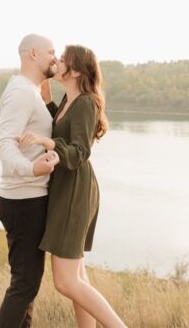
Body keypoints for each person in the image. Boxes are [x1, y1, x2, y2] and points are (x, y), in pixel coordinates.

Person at [17, 44, 126, 328]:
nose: (58, 60)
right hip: (66, 189)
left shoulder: (86, 103)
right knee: (78, 277)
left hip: (75, 191)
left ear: (75, 70)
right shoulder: (68, 100)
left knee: (66, 282)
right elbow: (63, 129)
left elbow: (79, 152)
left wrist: (46, 142)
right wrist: (48, 101)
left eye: (63, 59)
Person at [0, 33, 61, 328]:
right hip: (23, 200)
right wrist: (31, 169)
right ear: (33, 54)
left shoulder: (31, 91)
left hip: (29, 199)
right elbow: (4, 144)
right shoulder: (21, 92)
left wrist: (48, 96)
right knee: (24, 285)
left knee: (28, 285)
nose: (55, 58)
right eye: (51, 52)